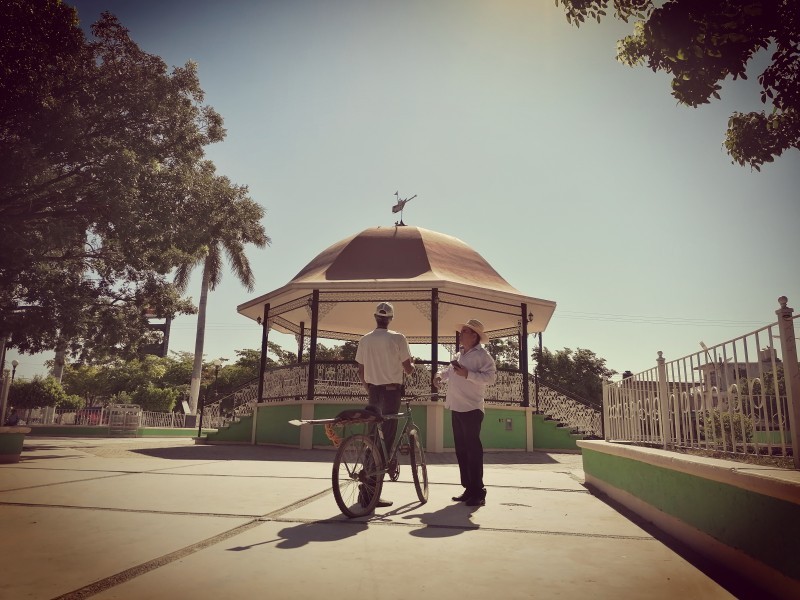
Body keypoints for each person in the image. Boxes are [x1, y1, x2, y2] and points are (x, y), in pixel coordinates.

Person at [355, 302, 414, 508]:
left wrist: (368, 389)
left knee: (372, 439)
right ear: (390, 318)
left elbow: (361, 371)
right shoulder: (398, 338)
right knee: (385, 440)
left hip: (373, 392)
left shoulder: (364, 340)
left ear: (375, 317)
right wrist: (413, 364)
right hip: (391, 393)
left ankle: (366, 490)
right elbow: (408, 370)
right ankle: (371, 493)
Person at [435, 318, 497, 507]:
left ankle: (479, 492)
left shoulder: (483, 356)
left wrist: (468, 375)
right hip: (456, 407)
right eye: (461, 331)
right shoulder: (459, 354)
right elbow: (450, 371)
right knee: (462, 451)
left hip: (472, 409)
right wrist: (440, 376)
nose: (460, 334)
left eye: (464, 331)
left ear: (474, 335)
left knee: (473, 452)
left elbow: (491, 378)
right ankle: (469, 489)